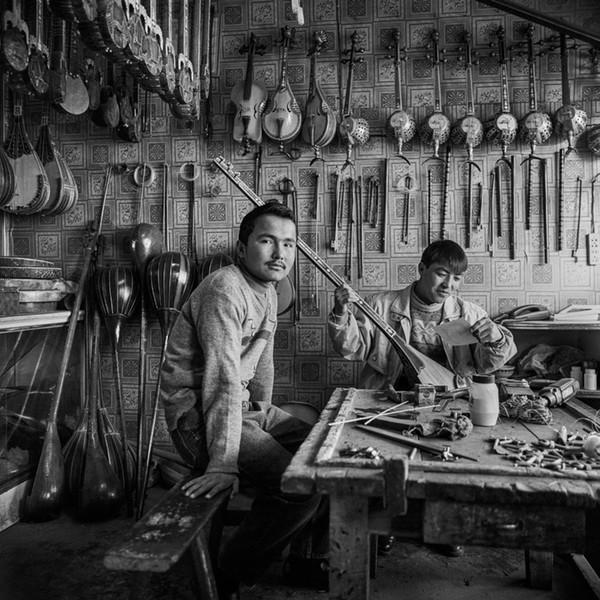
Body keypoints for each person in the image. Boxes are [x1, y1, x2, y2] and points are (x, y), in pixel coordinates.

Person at [160, 202, 324, 599]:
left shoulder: (269, 290)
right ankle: (227, 574)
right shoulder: (224, 291)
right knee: (299, 487)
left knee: (326, 452)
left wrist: (262, 413)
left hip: (240, 408)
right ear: (241, 248)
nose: (279, 253)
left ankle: (303, 559)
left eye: (288, 244)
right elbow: (222, 379)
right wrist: (224, 463)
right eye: (267, 241)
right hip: (197, 417)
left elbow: (262, 362)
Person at [328, 239, 517, 557]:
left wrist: (497, 338)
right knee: (387, 463)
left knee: (446, 462)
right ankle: (385, 526)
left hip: (448, 401)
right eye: (442, 274)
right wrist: (340, 311)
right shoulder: (382, 306)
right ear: (421, 270)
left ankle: (443, 528)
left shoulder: (468, 313)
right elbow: (351, 348)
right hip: (389, 400)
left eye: (456, 278)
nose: (449, 285)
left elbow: (487, 364)